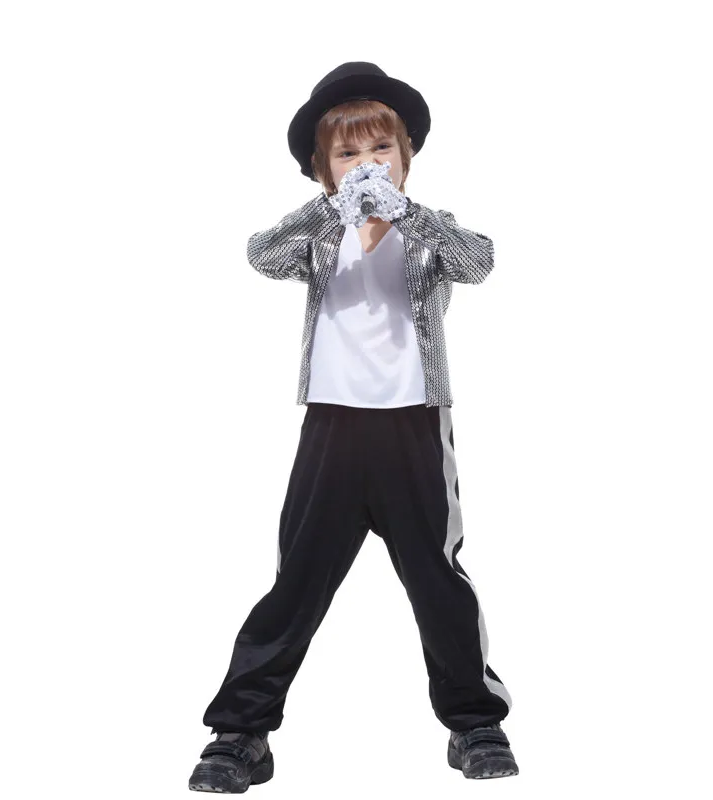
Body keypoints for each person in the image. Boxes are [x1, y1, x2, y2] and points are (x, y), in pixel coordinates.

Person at [188, 61, 519, 794]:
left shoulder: (430, 232)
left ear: (406, 156)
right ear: (322, 168)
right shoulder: (319, 235)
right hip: (333, 429)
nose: (366, 164)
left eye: (380, 149)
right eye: (347, 153)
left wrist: (406, 214)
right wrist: (329, 211)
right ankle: (240, 732)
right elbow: (261, 254)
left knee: (437, 579)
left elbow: (480, 262)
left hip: (411, 427)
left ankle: (475, 723)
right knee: (297, 582)